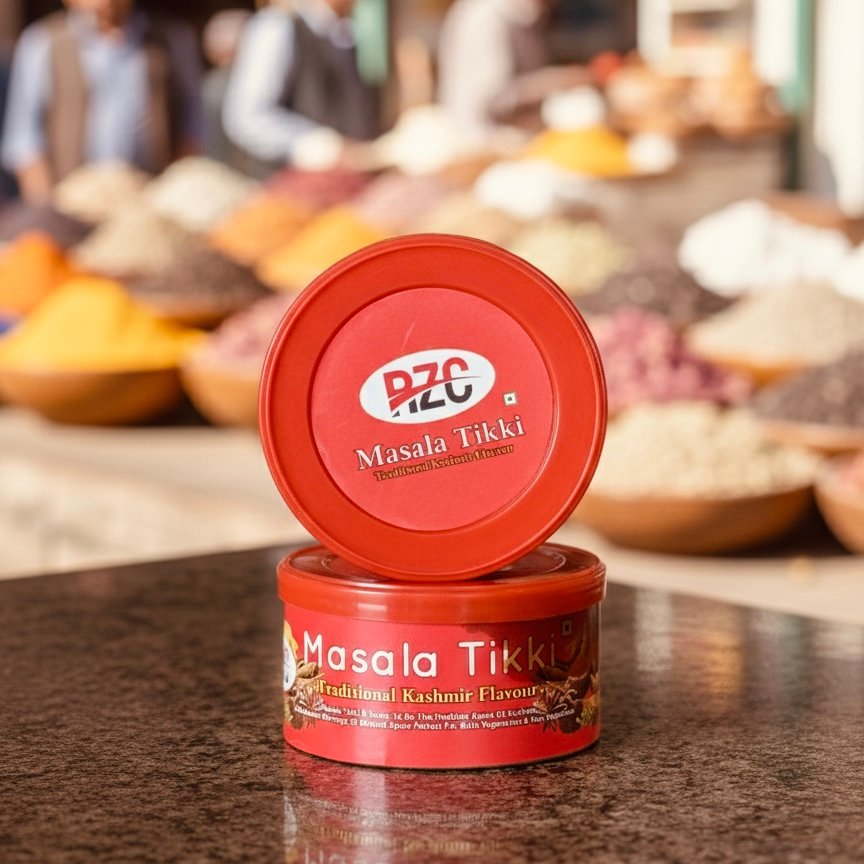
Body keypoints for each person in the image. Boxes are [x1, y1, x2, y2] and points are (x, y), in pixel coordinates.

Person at [1, 0, 204, 203]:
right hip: (71, 202)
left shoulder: (170, 39)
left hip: (149, 200)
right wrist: (47, 206)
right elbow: (24, 141)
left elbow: (192, 127)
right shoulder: (42, 41)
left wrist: (176, 194)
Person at [221, 0, 383, 174]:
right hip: (288, 182)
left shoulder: (345, 33)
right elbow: (248, 117)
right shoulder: (278, 26)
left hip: (348, 179)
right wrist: (319, 146)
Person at [437, 0, 581, 140]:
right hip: (482, 139)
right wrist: (556, 82)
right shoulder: (489, 17)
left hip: (500, 138)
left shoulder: (524, 15)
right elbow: (493, 98)